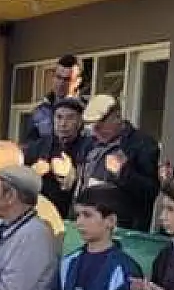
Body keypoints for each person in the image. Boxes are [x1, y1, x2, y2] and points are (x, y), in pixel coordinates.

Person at [69, 94, 161, 232]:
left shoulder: (142, 144)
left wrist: (123, 171)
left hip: (120, 229)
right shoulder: (89, 143)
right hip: (84, 222)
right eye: (92, 126)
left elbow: (150, 191)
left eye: (100, 125)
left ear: (117, 117)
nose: (96, 131)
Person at [26, 97, 86, 219]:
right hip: (40, 215)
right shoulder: (38, 147)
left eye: (70, 118)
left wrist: (73, 175)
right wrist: (32, 173)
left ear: (79, 122)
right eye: (59, 117)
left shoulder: (88, 147)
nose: (63, 123)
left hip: (73, 217)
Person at [23, 54, 86, 146]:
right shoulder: (39, 112)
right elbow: (29, 146)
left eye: (67, 79)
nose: (60, 83)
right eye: (58, 77)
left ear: (78, 81)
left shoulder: (86, 112)